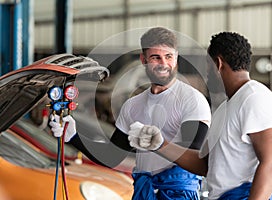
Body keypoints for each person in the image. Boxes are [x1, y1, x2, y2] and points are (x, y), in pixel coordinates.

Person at [49, 27, 212, 200]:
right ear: (143, 60)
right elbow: (112, 155)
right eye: (156, 57)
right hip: (144, 192)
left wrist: (158, 145)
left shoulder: (192, 100)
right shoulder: (133, 106)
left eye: (168, 57)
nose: (163, 64)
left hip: (179, 193)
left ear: (176, 57)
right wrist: (73, 136)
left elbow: (191, 154)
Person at [127, 32, 272, 200]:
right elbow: (206, 165)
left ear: (218, 63)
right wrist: (160, 144)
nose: (206, 73)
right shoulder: (225, 108)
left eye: (207, 66)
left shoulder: (255, 97)